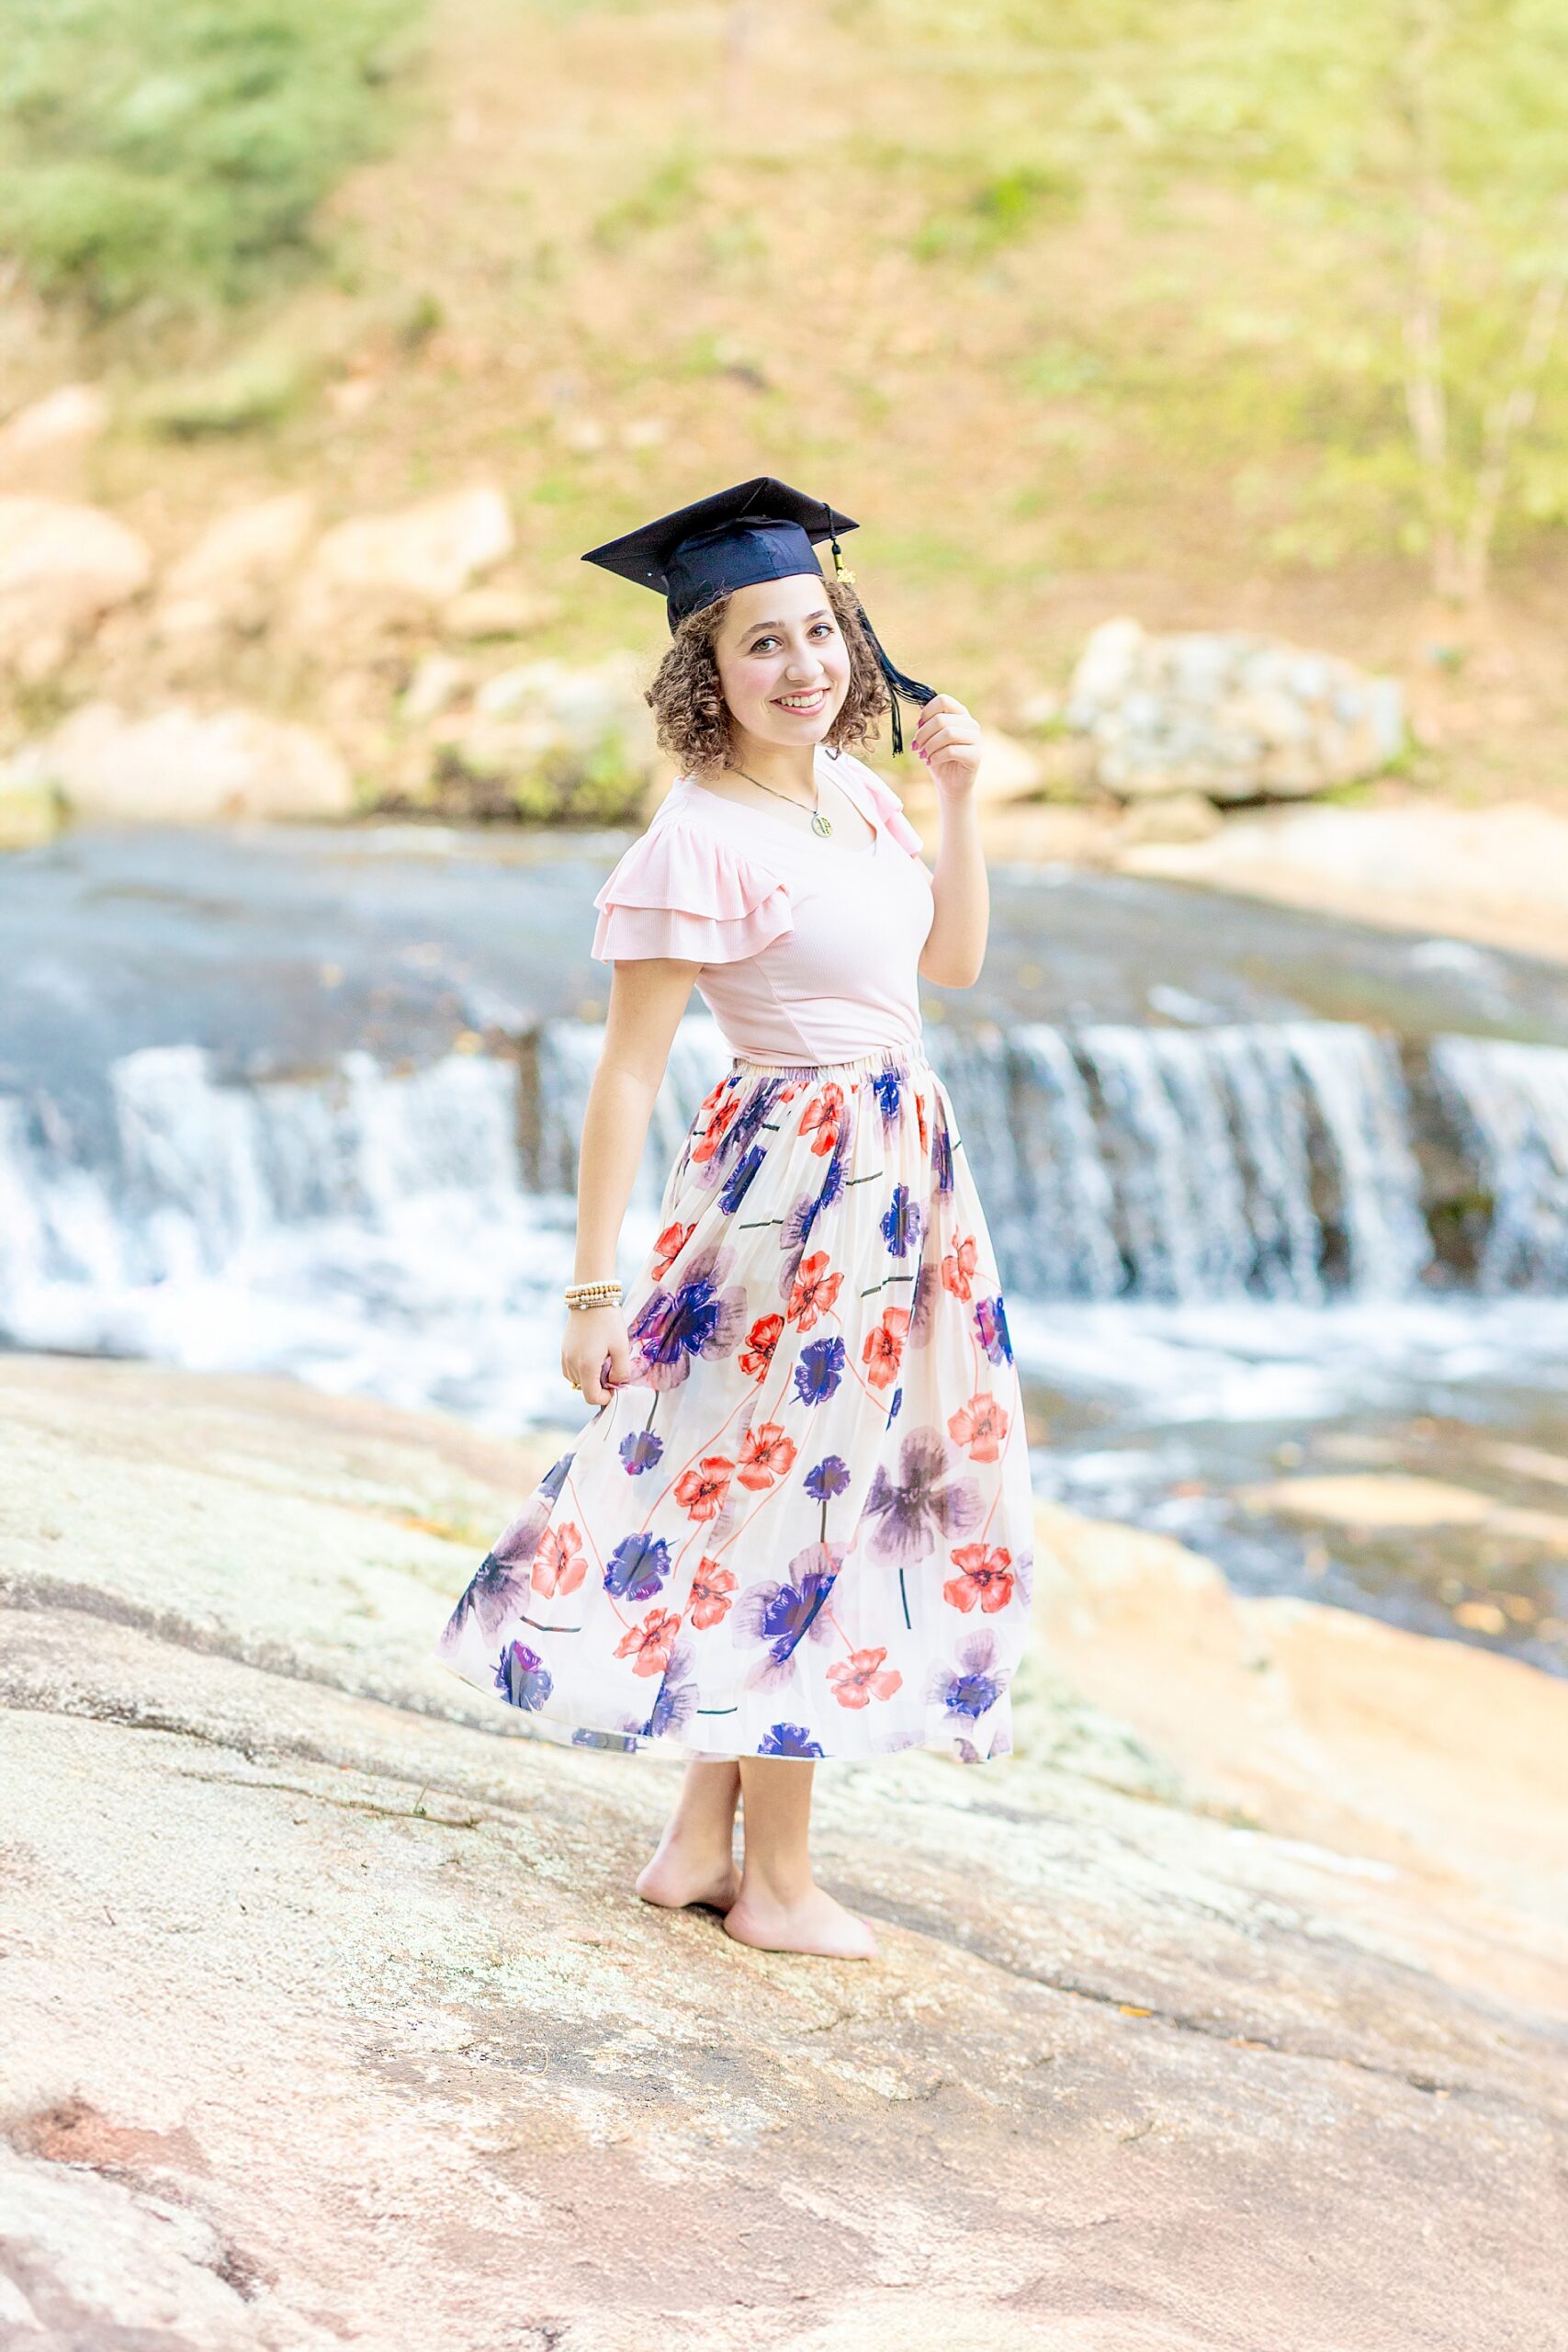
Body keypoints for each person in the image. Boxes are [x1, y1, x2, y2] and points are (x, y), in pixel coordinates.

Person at [434, 477, 1035, 1960]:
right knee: (813, 1516)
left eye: (820, 634)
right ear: (706, 674)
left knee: (789, 1496)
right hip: (797, 1193)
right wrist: (592, 1296)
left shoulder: (858, 791)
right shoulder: (698, 836)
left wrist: (962, 803)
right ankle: (778, 1883)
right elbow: (627, 1076)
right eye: (761, 645)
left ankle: (698, 1843)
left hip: (903, 1163)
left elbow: (946, 967)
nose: (804, 668)